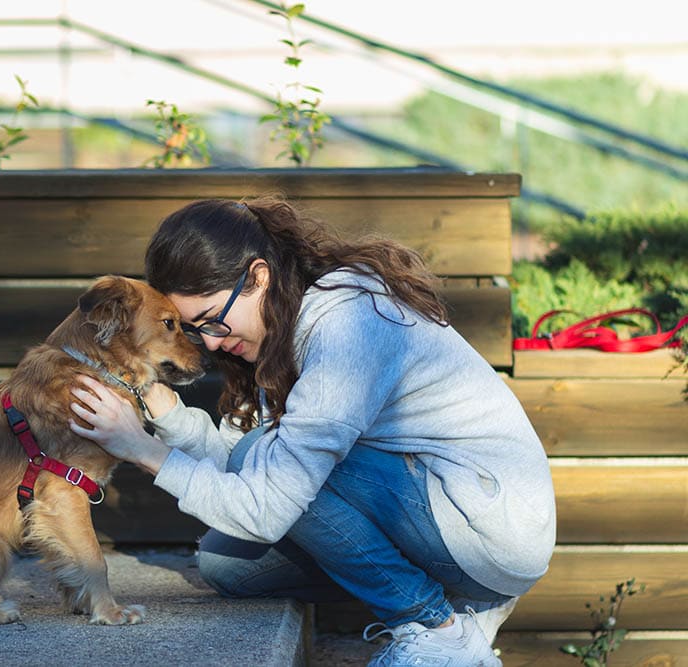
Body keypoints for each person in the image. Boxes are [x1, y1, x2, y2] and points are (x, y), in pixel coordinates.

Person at [68, 194, 555, 667]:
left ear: (258, 276)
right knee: (227, 563)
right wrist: (164, 412)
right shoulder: (280, 328)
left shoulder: (348, 324)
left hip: (487, 523)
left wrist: (142, 450)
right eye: (197, 330)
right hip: (440, 518)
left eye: (213, 320)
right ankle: (460, 603)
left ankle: (436, 628)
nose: (212, 343)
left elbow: (265, 497)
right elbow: (243, 474)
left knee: (266, 467)